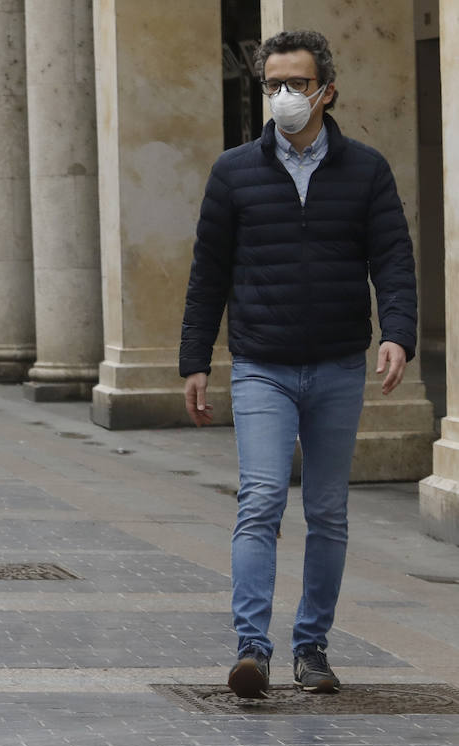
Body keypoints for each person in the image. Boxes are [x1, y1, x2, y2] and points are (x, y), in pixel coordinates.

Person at [179, 30, 417, 699]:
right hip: (262, 365)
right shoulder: (234, 173)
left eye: (297, 84)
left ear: (327, 91)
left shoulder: (366, 170)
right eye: (272, 85)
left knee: (328, 511)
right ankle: (251, 648)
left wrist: (397, 333)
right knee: (258, 502)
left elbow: (393, 259)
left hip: (340, 365)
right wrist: (193, 360)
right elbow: (207, 275)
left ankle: (311, 647)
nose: (283, 96)